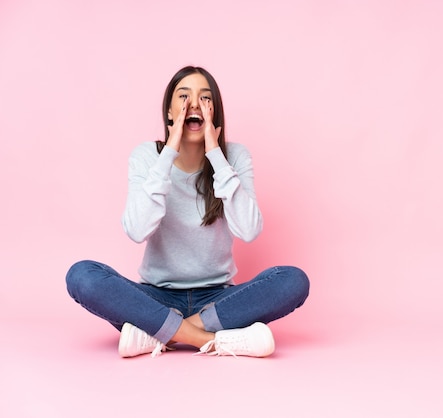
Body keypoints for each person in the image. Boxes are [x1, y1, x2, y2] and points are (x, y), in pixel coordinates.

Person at [66, 65, 310, 358]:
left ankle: (160, 334)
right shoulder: (147, 156)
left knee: (293, 281)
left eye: (204, 98)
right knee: (82, 276)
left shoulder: (235, 157)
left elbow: (249, 230)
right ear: (169, 112)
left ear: (214, 112)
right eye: (184, 96)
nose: (193, 104)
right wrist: (168, 151)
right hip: (156, 296)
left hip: (218, 300)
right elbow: (136, 230)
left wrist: (215, 155)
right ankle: (214, 340)